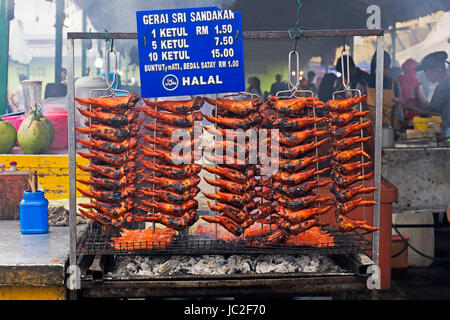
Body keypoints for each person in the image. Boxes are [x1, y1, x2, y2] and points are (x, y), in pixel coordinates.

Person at [414, 51, 450, 144]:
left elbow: (438, 113)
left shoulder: (446, 87)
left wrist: (415, 108)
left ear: (437, 69)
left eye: (426, 71)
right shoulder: (440, 86)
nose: (426, 75)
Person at [362, 51, 402, 129]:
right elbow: (358, 108)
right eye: (380, 67)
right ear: (374, 67)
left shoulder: (395, 84)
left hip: (388, 128)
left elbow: (398, 109)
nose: (383, 70)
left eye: (386, 67)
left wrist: (396, 127)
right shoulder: (363, 84)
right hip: (368, 128)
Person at [395, 58, 429, 127]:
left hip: (398, 115)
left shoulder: (397, 80)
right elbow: (422, 99)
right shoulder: (416, 81)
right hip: (413, 115)